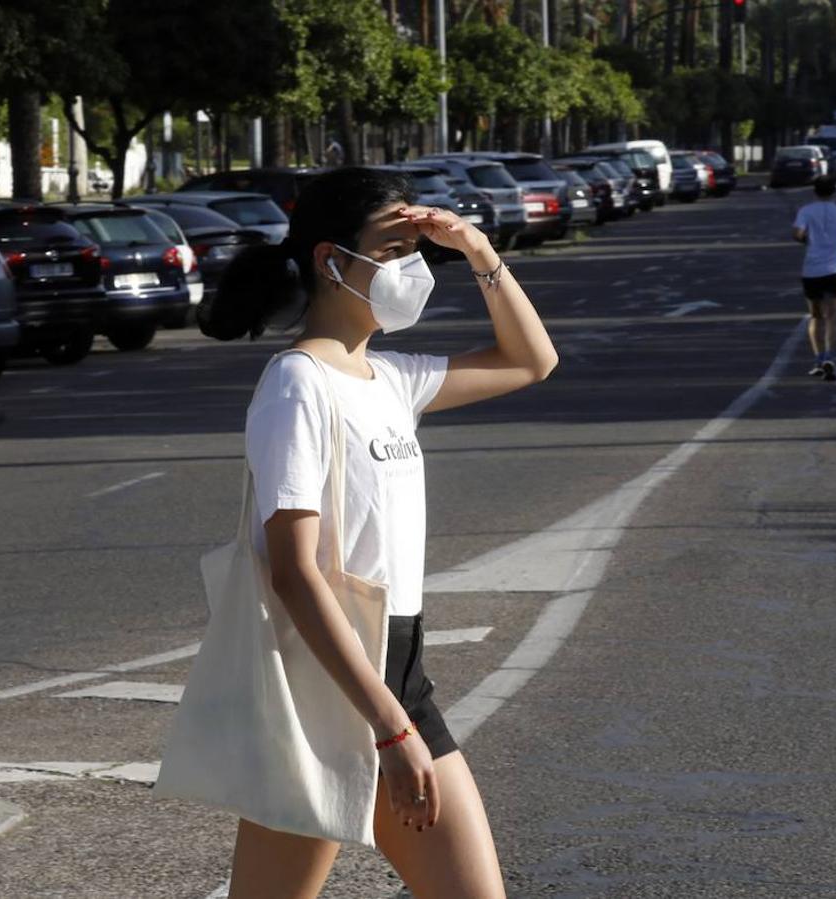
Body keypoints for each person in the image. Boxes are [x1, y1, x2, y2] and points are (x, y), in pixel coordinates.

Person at [197, 167, 555, 896]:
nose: (411, 269)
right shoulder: (298, 383)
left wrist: (479, 251)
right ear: (332, 261)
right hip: (326, 685)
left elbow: (530, 360)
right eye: (394, 250)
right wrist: (388, 728)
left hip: (401, 669)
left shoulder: (389, 379)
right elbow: (295, 571)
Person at [791, 175, 836, 382]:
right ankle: (830, 356)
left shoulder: (806, 211)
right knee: (832, 317)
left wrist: (806, 239)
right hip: (835, 270)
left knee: (815, 316)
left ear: (815, 191)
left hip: (812, 270)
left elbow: (797, 234)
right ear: (834, 191)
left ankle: (819, 359)